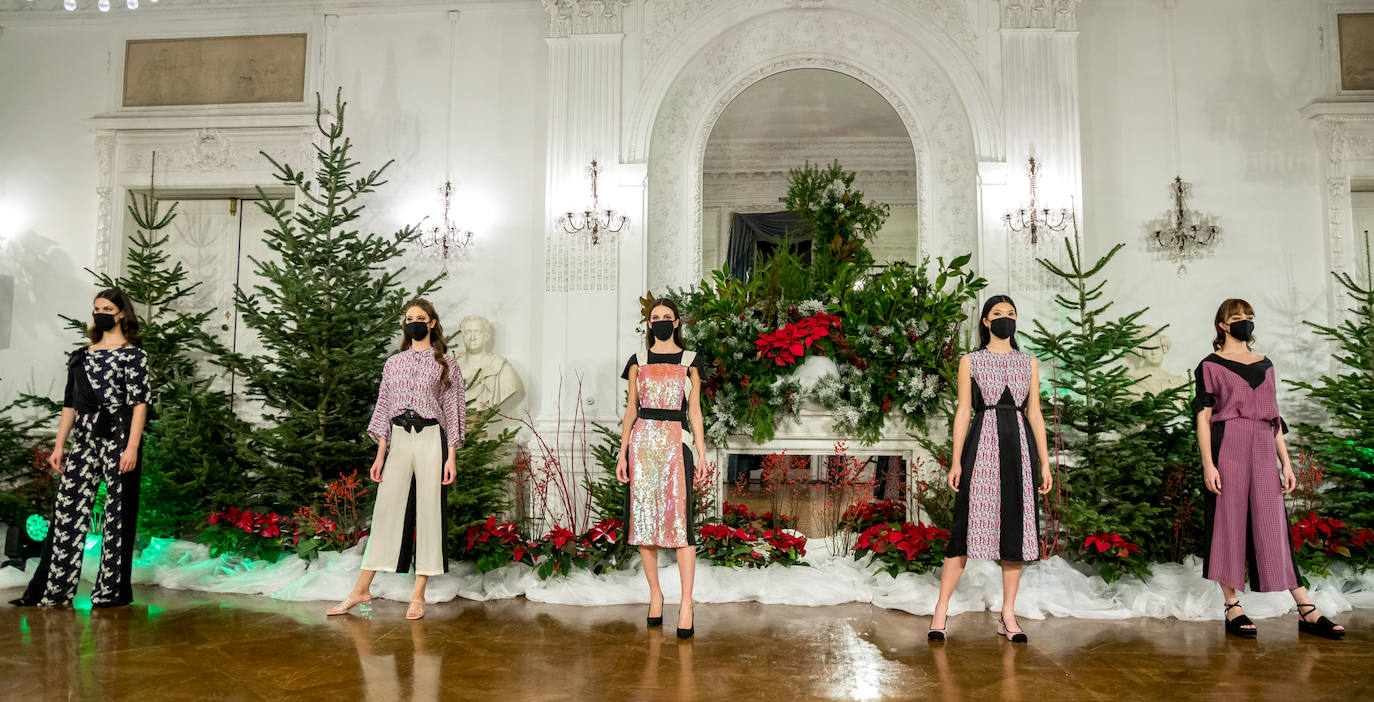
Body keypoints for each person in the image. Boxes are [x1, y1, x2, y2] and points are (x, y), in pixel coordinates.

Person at [1193, 298, 1344, 639]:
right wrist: (1208, 464)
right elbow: (1202, 418)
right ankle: (1232, 605)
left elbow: (1275, 418)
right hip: (1228, 442)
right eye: (1237, 317)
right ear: (1222, 324)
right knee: (1228, 522)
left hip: (1263, 443)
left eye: (1249, 316)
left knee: (1272, 523)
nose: (1245, 322)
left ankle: (1304, 607)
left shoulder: (1266, 364)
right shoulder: (1210, 365)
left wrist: (1286, 462)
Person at [10, 288, 149, 608]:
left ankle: (110, 593)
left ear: (120, 313)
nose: (100, 312)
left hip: (118, 441)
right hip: (84, 444)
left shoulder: (133, 355)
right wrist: (59, 445)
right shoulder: (82, 355)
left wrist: (131, 448)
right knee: (66, 514)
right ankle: (54, 591)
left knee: (118, 517)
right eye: (96, 307)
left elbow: (140, 404)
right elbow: (70, 404)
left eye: (107, 307)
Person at [328, 299, 465, 621]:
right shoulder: (394, 363)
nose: (413, 322)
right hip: (399, 441)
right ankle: (362, 589)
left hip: (433, 439)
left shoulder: (446, 363)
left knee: (429, 512)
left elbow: (454, 411)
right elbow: (384, 408)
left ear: (431, 323)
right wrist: (380, 455)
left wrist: (452, 456)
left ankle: (419, 594)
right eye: (408, 318)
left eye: (420, 318)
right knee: (386, 510)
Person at [929, 294, 1052, 643]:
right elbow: (964, 411)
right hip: (981, 448)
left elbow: (1035, 413)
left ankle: (1008, 615)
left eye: (1011, 313)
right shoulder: (971, 361)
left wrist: (1044, 461)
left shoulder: (1029, 362)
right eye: (998, 313)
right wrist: (955, 460)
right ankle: (941, 612)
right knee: (964, 528)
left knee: (1015, 529)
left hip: (1019, 450)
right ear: (985, 321)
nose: (1005, 318)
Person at [616, 298, 707, 639]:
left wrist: (701, 452)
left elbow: (695, 411)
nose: (662, 321)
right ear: (649, 325)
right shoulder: (637, 362)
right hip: (642, 444)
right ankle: (655, 594)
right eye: (656, 318)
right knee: (644, 522)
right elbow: (630, 410)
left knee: (681, 524)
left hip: (676, 442)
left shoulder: (690, 362)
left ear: (677, 322)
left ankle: (686, 603)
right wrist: (622, 452)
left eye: (668, 317)